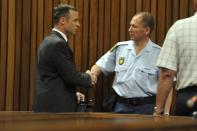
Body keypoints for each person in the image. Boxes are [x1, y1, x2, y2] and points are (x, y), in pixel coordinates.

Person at [90, 12, 161, 114]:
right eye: (130, 25)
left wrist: (163, 112)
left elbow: (167, 84)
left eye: (134, 26)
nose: (129, 29)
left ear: (147, 30)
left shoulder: (158, 53)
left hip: (147, 107)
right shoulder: (120, 48)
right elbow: (100, 65)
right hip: (120, 106)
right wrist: (93, 75)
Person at [32, 4, 95, 112]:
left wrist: (71, 93)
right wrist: (89, 77)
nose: (78, 24)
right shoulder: (58, 44)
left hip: (49, 105)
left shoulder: (48, 41)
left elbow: (53, 76)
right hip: (56, 109)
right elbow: (71, 76)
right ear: (62, 20)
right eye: (75, 20)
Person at [154, 0, 197, 116]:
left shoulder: (179, 28)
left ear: (195, 4)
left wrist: (158, 111)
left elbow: (167, 74)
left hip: (190, 100)